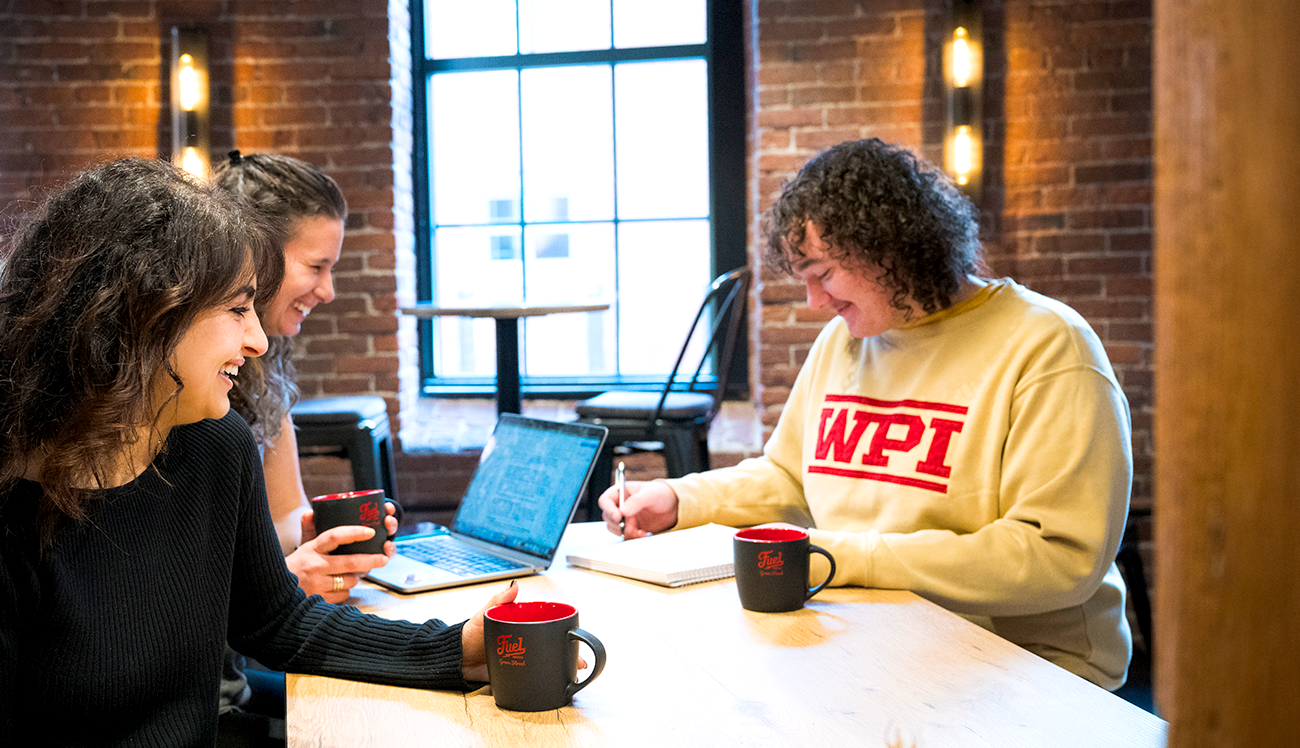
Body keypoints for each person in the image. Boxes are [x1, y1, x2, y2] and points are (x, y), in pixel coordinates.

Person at [0, 157, 517, 746]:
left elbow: (279, 622)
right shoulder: (14, 509)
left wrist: (457, 649)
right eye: (237, 309)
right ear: (146, 313)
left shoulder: (217, 447)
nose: (258, 338)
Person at [601, 139, 1134, 690]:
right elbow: (789, 475)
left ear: (892, 248)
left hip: (1025, 669)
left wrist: (843, 559)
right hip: (874, 637)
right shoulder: (847, 339)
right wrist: (680, 499)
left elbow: (1056, 559)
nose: (814, 302)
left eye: (823, 273)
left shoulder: (1048, 346)